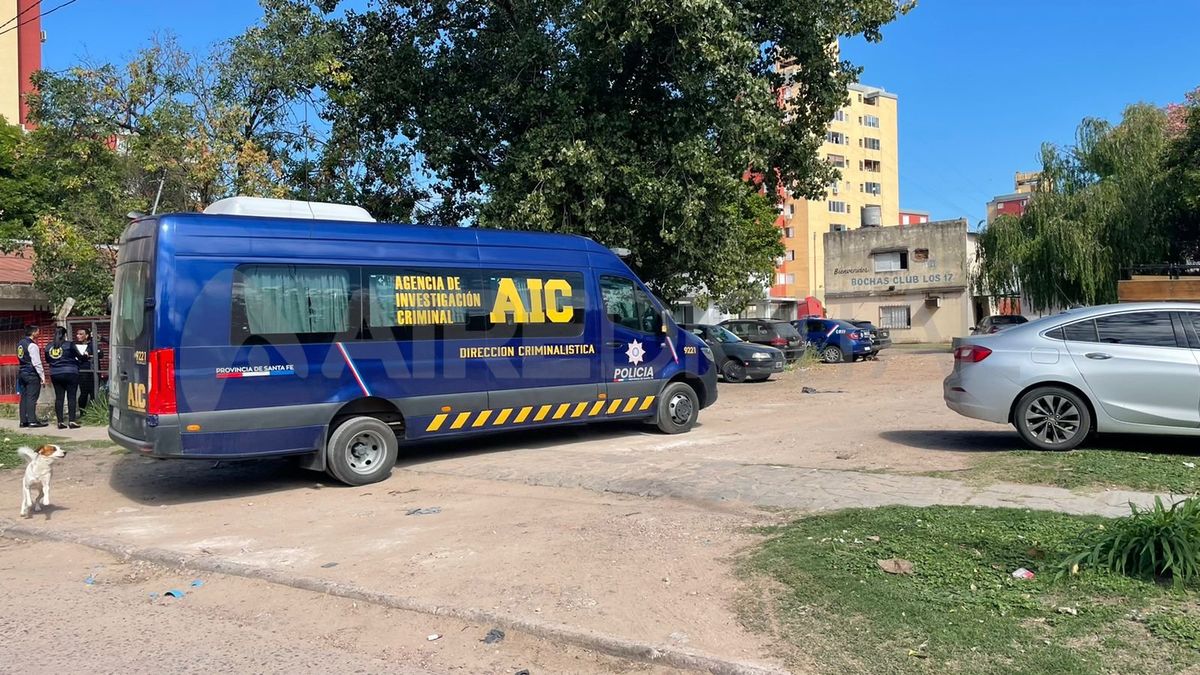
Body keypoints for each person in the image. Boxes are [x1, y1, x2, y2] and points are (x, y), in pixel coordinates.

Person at [45, 326, 81, 429]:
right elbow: (79, 356)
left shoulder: (49, 346)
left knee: (59, 397)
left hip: (55, 373)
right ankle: (72, 421)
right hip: (70, 372)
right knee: (71, 397)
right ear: (65, 334)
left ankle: (60, 421)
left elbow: (48, 360)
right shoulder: (69, 345)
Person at [16, 324, 46, 428]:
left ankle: (23, 420)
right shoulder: (32, 345)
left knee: (24, 397)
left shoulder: (20, 343)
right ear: (33, 333)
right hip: (31, 373)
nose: (39, 333)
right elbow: (36, 362)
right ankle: (32, 420)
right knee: (32, 397)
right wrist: (42, 376)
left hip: (22, 372)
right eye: (38, 331)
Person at [74, 327, 102, 411]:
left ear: (86, 335)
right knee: (84, 393)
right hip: (82, 372)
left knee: (94, 393)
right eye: (77, 334)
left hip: (93, 371)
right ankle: (82, 412)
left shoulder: (93, 344)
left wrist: (90, 355)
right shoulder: (75, 345)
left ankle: (95, 411)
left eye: (81, 334)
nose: (78, 336)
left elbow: (101, 354)